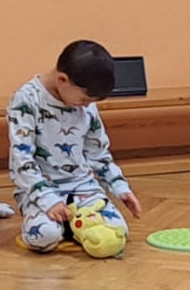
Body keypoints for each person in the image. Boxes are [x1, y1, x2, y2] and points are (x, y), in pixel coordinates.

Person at [8, 40, 141, 257]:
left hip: (83, 188)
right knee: (44, 236)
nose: (87, 106)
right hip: (41, 190)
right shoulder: (26, 99)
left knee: (118, 232)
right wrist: (48, 201)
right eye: (84, 100)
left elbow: (98, 152)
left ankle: (72, 224)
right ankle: (67, 225)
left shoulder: (86, 105)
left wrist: (120, 187)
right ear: (63, 80)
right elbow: (21, 160)